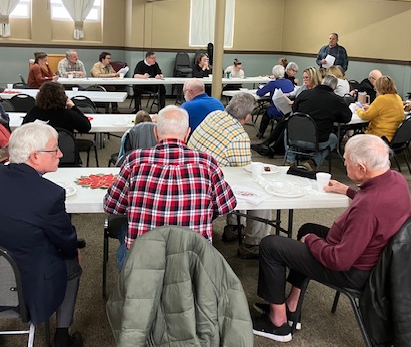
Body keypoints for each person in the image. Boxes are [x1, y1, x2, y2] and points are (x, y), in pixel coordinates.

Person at [252, 134, 411, 342]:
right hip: (376, 259)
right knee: (309, 228)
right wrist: (348, 191)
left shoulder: (367, 208)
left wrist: (311, 241)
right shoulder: (396, 180)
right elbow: (375, 204)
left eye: (346, 160)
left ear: (362, 167)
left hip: (354, 272)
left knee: (271, 245)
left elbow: (339, 260)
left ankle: (278, 322)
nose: (344, 163)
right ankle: (292, 305)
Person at [0, 123, 83, 347]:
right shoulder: (50, 194)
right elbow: (65, 240)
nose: (61, 154)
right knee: (72, 260)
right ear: (35, 156)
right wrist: (74, 250)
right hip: (29, 278)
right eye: (55, 149)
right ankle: (62, 336)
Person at [103, 106, 236, 270]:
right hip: (193, 265)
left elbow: (111, 205)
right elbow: (226, 206)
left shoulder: (135, 160)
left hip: (143, 266)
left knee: (125, 228)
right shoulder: (207, 163)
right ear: (187, 133)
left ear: (155, 133)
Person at [189, 92, 272, 259]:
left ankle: (234, 226)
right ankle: (253, 243)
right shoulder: (239, 136)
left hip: (191, 174)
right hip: (208, 188)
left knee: (227, 170)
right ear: (247, 116)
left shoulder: (214, 115)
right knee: (259, 193)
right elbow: (244, 171)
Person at [252, 67, 321, 158]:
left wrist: (295, 102)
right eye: (303, 77)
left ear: (313, 77)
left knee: (286, 123)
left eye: (306, 78)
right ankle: (267, 145)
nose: (304, 80)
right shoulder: (303, 87)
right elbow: (295, 93)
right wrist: (289, 95)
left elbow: (309, 104)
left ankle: (271, 148)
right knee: (284, 122)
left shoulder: (317, 92)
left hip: (308, 119)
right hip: (297, 114)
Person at [286, 74, 352, 169]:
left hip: (294, 138)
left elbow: (294, 110)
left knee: (293, 130)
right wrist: (333, 117)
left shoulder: (304, 94)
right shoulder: (337, 100)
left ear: (322, 82)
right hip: (317, 141)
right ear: (335, 87)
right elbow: (347, 118)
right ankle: (313, 162)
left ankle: (290, 160)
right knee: (333, 139)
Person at [22, 81, 92, 154]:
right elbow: (86, 127)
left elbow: (23, 130)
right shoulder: (68, 114)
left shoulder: (34, 111)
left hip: (39, 152)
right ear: (63, 97)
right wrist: (74, 107)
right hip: (65, 152)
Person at [355, 75, 405, 142]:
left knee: (355, 138)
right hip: (394, 136)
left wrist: (358, 110)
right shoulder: (398, 97)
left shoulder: (381, 99)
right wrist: (370, 108)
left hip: (380, 136)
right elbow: (386, 110)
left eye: (376, 89)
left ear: (379, 88)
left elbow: (365, 116)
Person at [256, 64, 294, 137]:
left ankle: (261, 133)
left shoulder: (272, 83)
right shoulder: (289, 82)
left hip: (277, 109)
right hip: (289, 109)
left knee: (267, 113)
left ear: (274, 74)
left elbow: (259, 93)